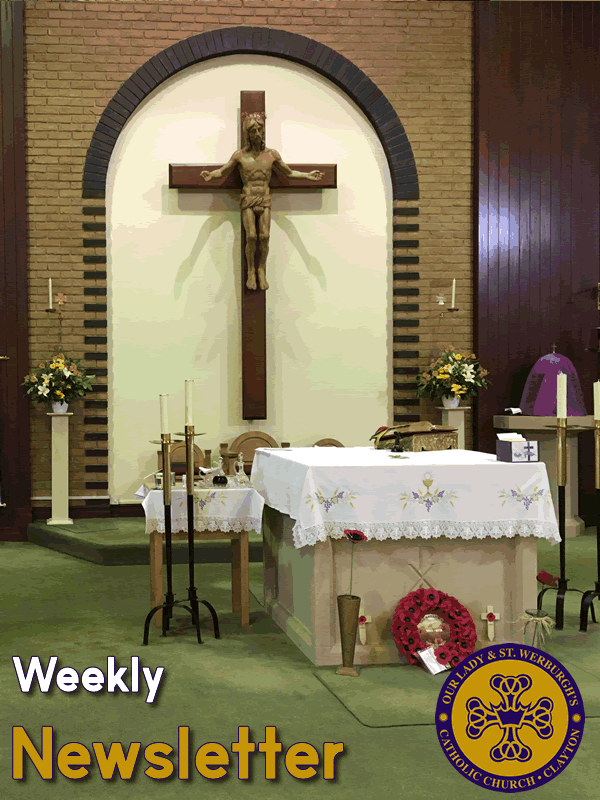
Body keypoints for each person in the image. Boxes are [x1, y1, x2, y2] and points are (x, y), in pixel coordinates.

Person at [201, 113, 324, 290]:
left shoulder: (272, 155)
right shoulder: (239, 156)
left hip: (265, 198)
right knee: (251, 236)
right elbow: (223, 172)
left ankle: (261, 269)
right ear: (247, 134)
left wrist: (308, 176)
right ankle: (251, 270)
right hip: (248, 198)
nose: (257, 134)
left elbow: (288, 173)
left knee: (264, 236)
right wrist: (210, 175)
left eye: (260, 129)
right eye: (253, 131)